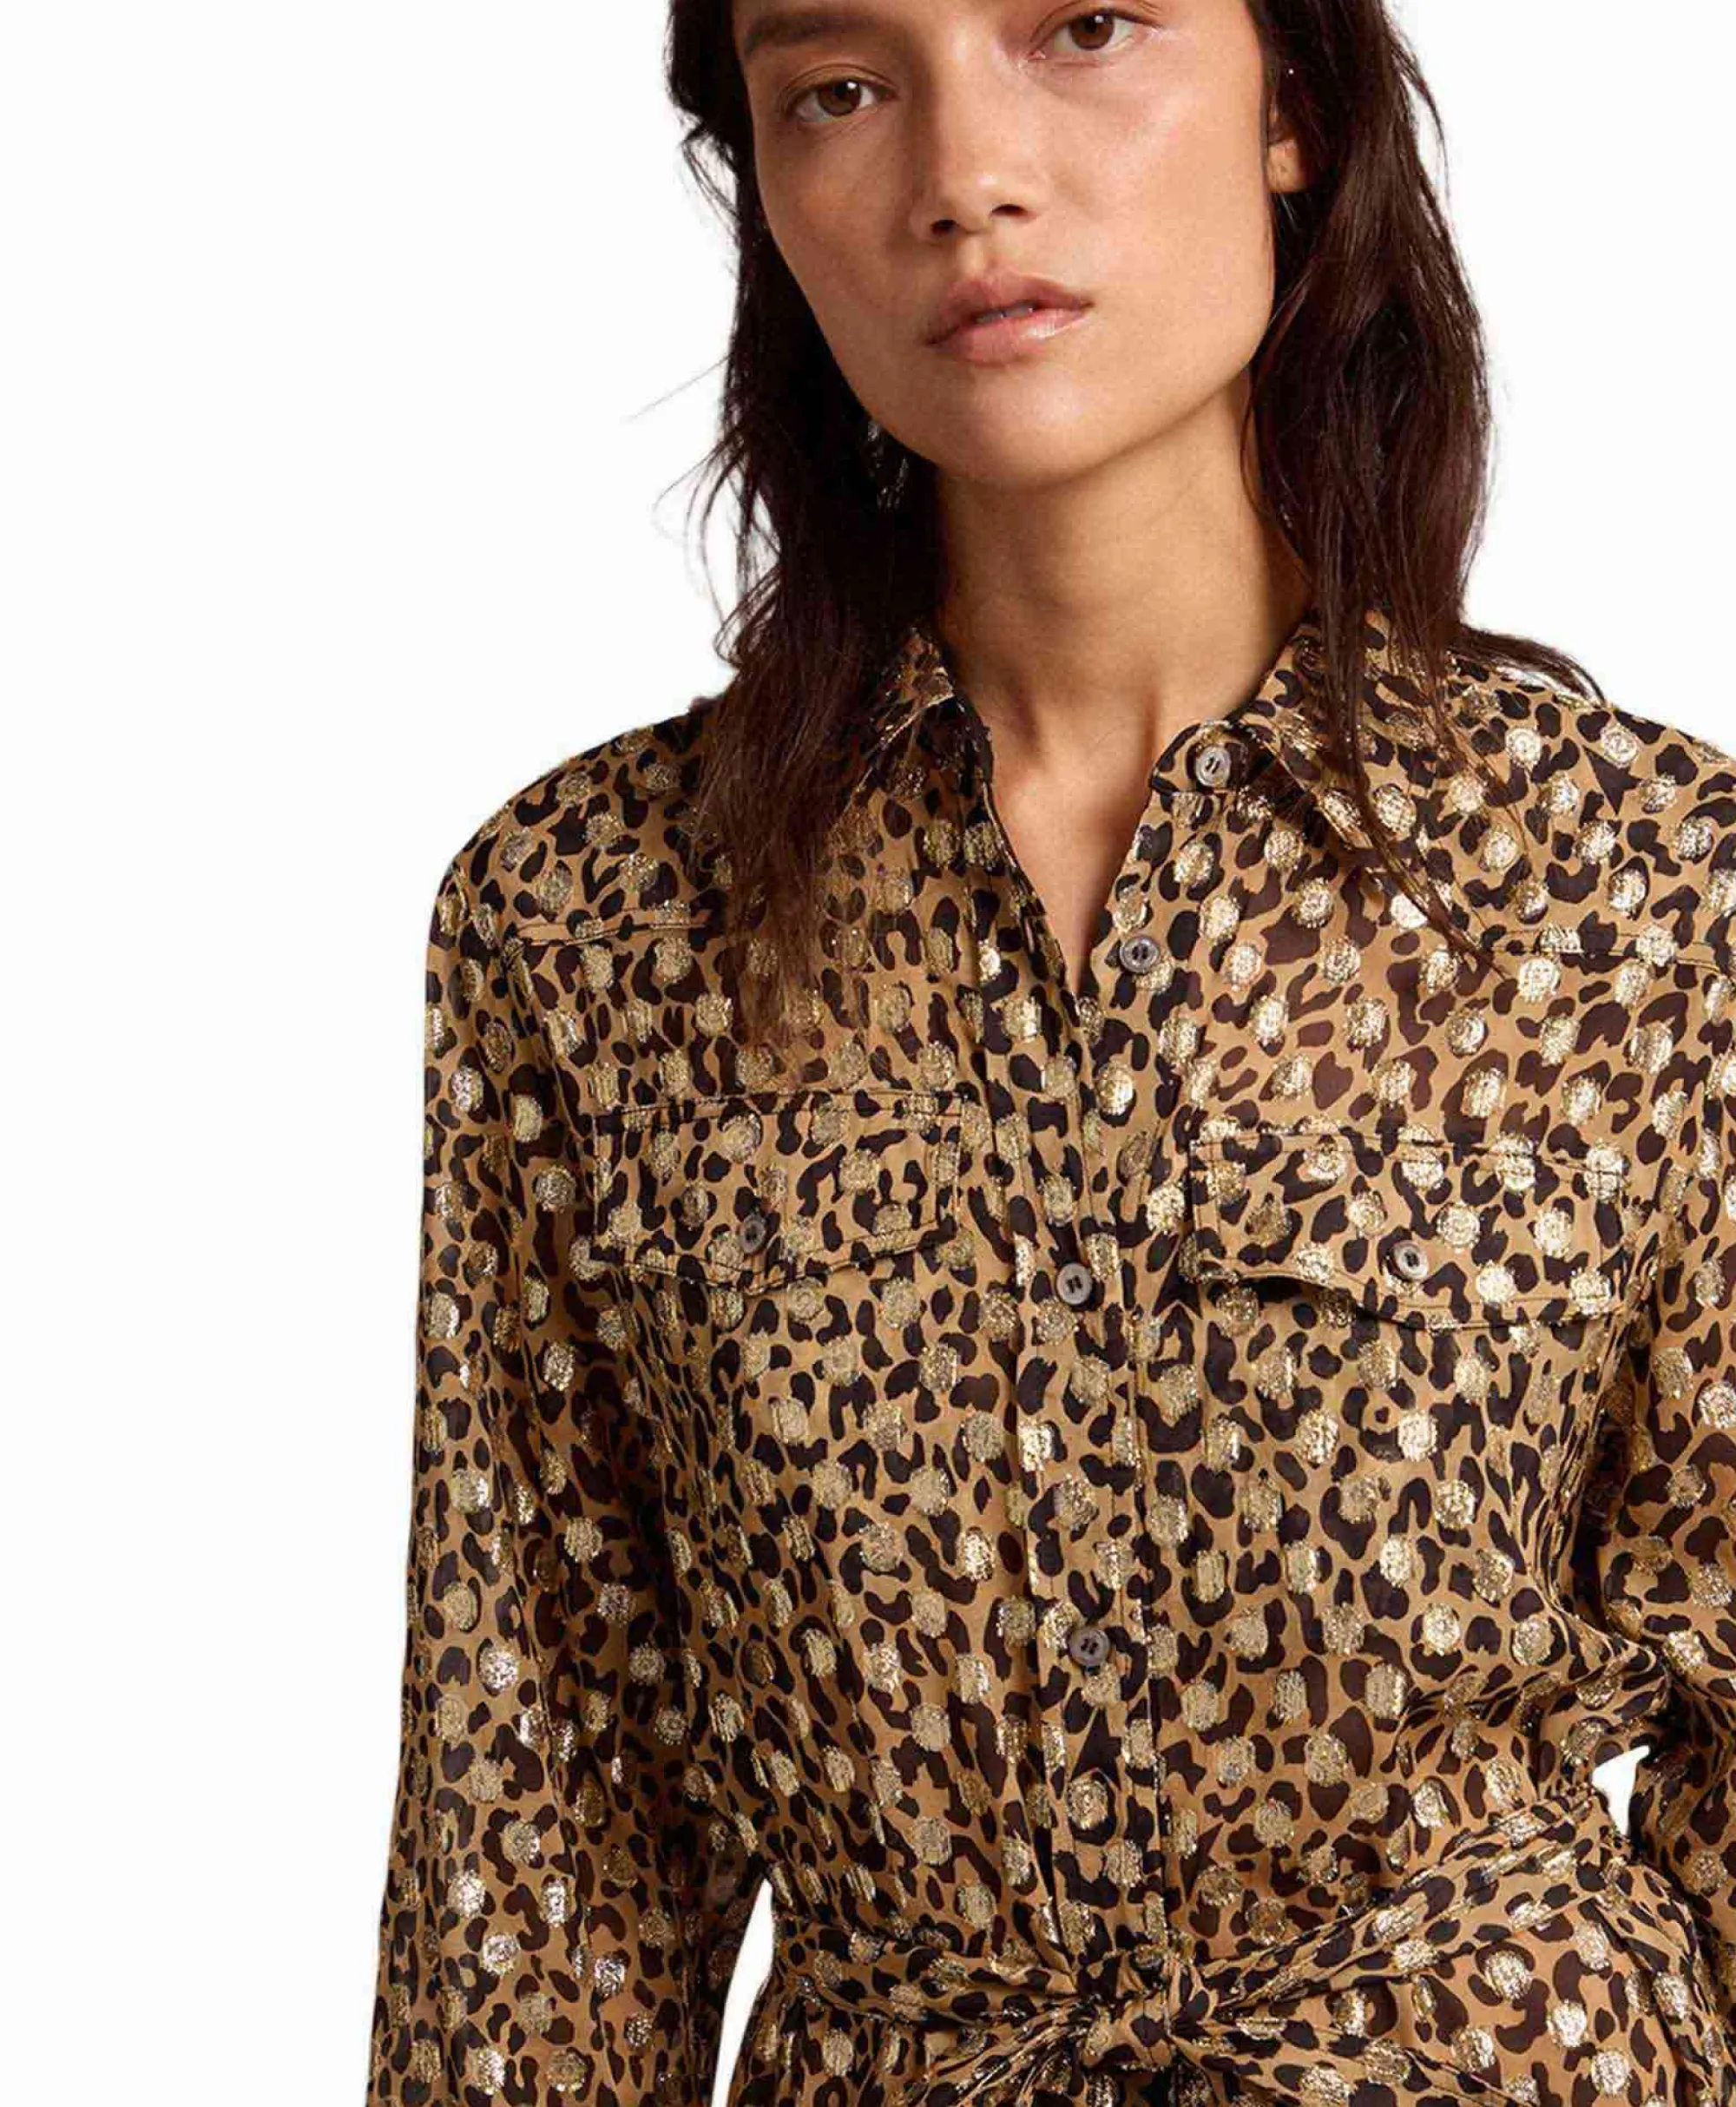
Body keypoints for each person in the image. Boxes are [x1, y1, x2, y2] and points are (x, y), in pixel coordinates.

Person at [363, 3, 1736, 2104]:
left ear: (1292, 105)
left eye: (1083, 27)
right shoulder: (591, 922)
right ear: (763, 184)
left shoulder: (1635, 884)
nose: (962, 177)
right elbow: (541, 1810)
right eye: (839, 89)